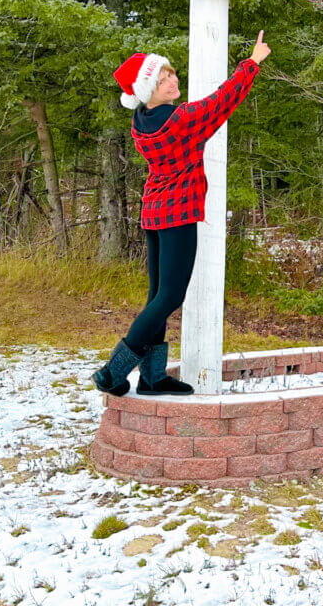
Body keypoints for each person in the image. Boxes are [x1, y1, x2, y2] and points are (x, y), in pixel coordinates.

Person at [93, 30, 270, 397]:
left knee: (157, 296)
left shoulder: (141, 120)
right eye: (162, 79)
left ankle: (154, 378)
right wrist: (252, 62)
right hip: (177, 212)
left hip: (154, 210)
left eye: (171, 73)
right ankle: (114, 371)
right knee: (170, 297)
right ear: (147, 91)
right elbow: (222, 101)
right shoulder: (179, 121)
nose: (172, 80)